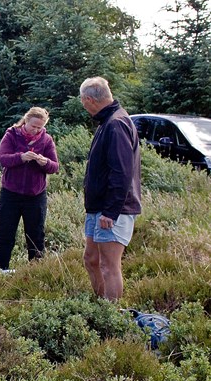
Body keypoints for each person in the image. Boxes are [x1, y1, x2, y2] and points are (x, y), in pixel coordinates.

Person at [79, 76, 141, 300]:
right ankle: (100, 304)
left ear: (88, 99)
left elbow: (121, 172)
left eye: (82, 102)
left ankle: (110, 316)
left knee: (108, 265)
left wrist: (110, 211)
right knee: (91, 260)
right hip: (98, 208)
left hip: (113, 210)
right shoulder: (108, 122)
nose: (83, 106)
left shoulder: (116, 124)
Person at [0, 107, 60, 273]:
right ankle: (1, 268)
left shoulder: (46, 140)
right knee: (5, 232)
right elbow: (3, 159)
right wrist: (21, 157)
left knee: (36, 234)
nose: (36, 130)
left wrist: (45, 162)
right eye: (33, 126)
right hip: (10, 193)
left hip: (36, 195)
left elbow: (55, 167)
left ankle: (36, 270)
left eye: (40, 127)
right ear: (26, 121)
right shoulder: (11, 135)